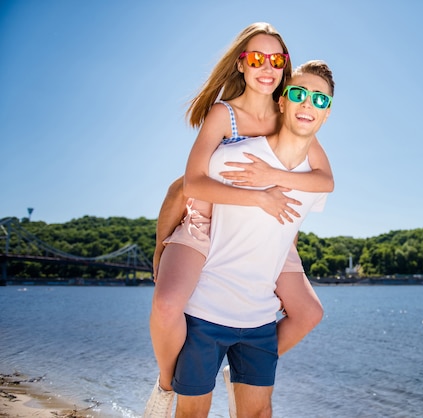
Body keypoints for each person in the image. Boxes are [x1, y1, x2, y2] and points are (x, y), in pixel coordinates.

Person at [144, 23, 333, 417]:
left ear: (286, 67)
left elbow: (322, 179)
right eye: (256, 58)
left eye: (277, 59)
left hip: (271, 229)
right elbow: (187, 185)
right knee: (166, 306)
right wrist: (161, 247)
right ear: (241, 65)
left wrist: (274, 186)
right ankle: (168, 382)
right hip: (210, 222)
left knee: (309, 312)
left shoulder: (290, 114)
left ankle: (240, 370)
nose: (268, 66)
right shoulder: (224, 115)